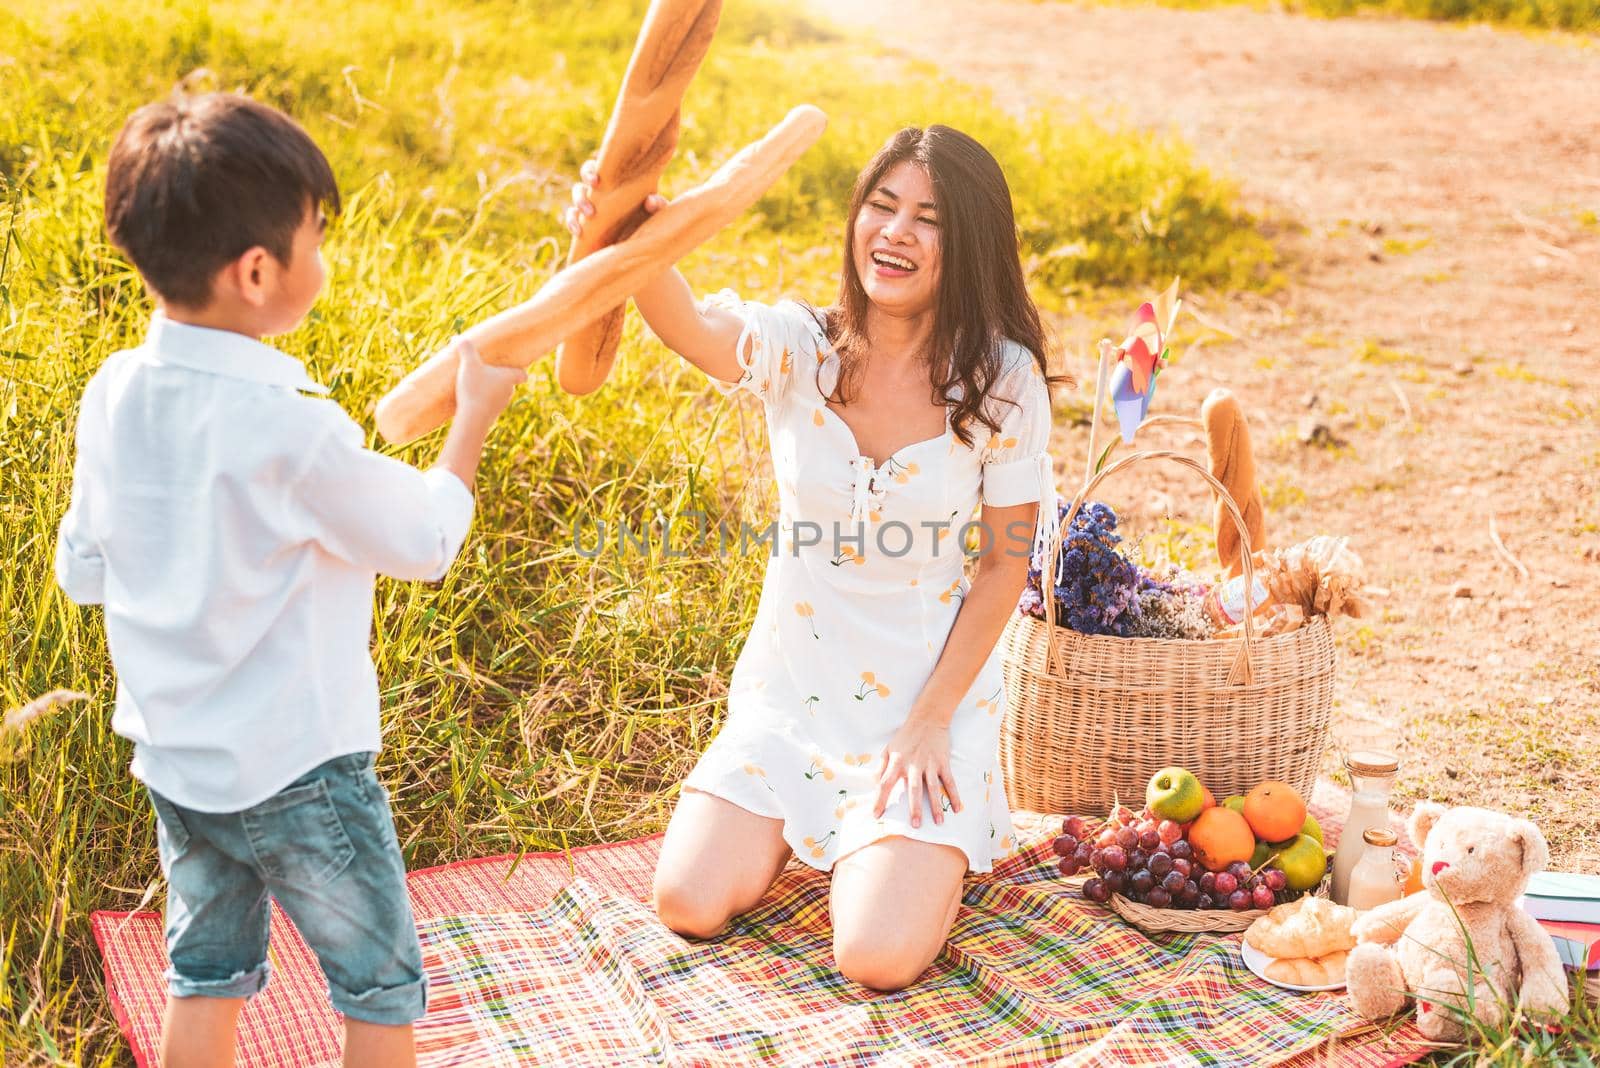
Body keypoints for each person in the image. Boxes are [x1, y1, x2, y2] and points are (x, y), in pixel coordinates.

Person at [54, 92, 525, 1068]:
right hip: (302, 775)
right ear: (258, 271)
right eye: (318, 235)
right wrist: (471, 419)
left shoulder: (112, 394)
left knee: (207, 972)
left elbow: (81, 568)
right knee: (378, 986)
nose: (325, 254)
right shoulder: (294, 427)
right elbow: (425, 541)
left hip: (179, 768)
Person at [566, 125, 1070, 991]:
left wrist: (930, 721)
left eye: (928, 218)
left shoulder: (1002, 378)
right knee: (685, 899)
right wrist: (621, 228)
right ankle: (846, 842)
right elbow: (686, 321)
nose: (895, 232)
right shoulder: (802, 347)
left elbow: (1003, 567)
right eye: (881, 206)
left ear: (972, 241)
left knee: (873, 958)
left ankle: (898, 853)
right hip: (790, 700)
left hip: (922, 711)